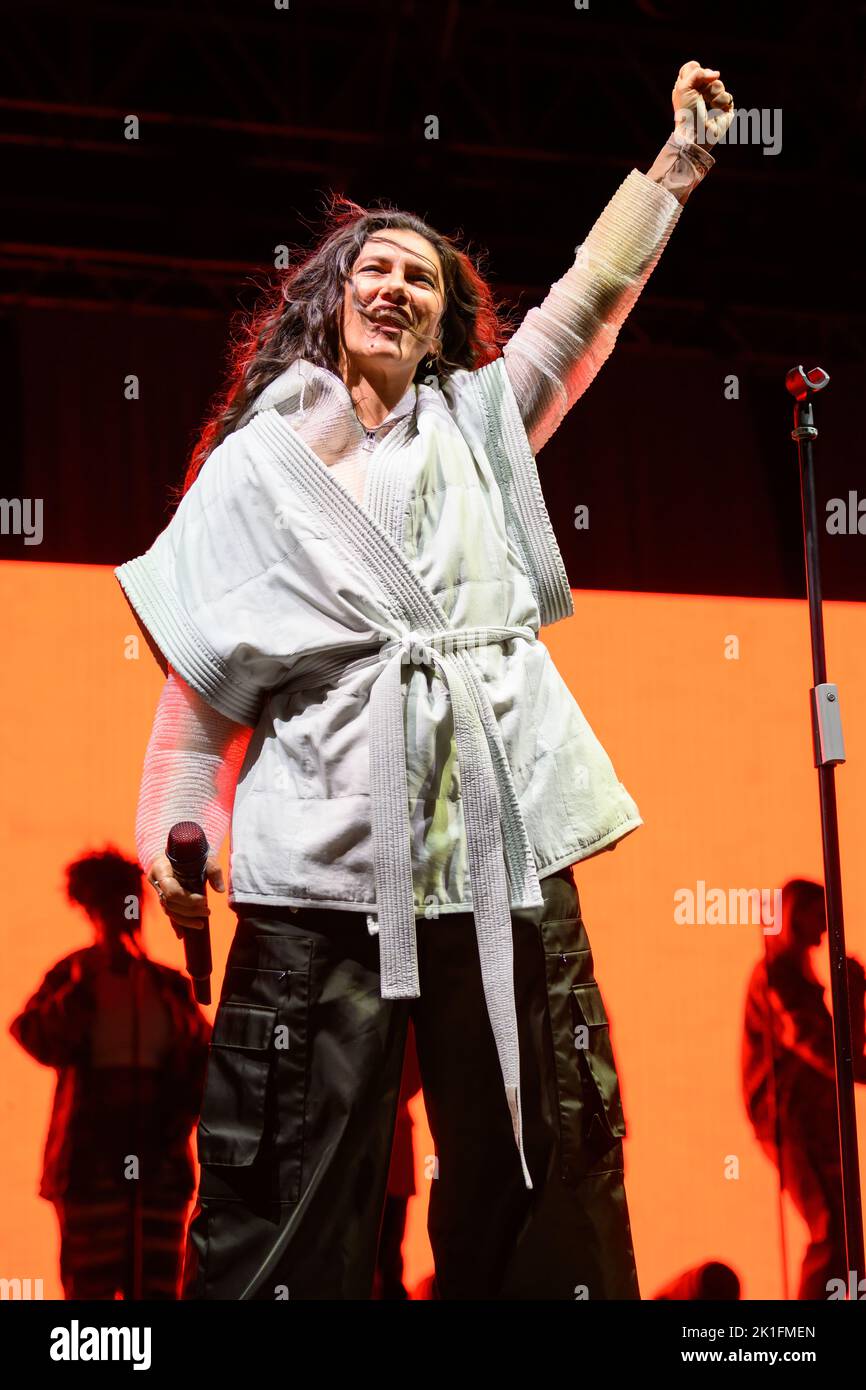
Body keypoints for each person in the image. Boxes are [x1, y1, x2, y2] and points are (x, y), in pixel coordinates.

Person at [115, 62, 735, 1299]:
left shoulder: (481, 427)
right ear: (333, 298)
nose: (396, 282)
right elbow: (193, 721)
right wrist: (180, 844)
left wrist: (671, 172)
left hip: (500, 867)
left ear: (448, 320)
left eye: (423, 276)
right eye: (375, 266)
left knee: (544, 1173)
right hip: (318, 895)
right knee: (289, 1206)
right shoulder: (253, 473)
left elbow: (585, 308)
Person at [8, 847, 212, 1300]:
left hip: (157, 1166)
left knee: (155, 1286)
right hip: (90, 1165)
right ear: (90, 907)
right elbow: (33, 1034)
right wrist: (82, 991)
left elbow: (205, 1059)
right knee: (89, 1289)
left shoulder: (166, 987)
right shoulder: (77, 974)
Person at [741, 878, 866, 1300]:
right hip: (789, 1120)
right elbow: (819, 1047)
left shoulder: (797, 976)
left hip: (815, 1115)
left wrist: (853, 1002)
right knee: (830, 1226)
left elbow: (837, 1049)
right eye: (816, 915)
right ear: (793, 916)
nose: (824, 927)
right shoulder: (775, 976)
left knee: (845, 1227)